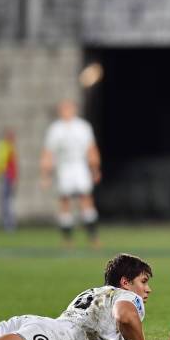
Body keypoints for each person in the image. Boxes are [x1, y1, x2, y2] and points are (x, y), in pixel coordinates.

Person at [0, 253, 170, 340]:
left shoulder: (98, 293)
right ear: (125, 282)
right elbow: (125, 317)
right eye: (143, 281)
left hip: (35, 324)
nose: (148, 289)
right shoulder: (127, 297)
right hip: (56, 338)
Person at [40, 100, 102, 247]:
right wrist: (45, 175)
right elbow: (48, 153)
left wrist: (95, 169)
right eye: (64, 108)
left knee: (86, 199)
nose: (66, 111)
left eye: (69, 108)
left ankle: (93, 237)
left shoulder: (83, 127)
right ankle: (67, 239)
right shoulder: (55, 129)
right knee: (65, 201)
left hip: (80, 166)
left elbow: (91, 149)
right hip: (64, 167)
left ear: (74, 109)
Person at [0, 128, 18, 231]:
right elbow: (8, 165)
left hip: (7, 177)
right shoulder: (6, 147)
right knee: (7, 201)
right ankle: (8, 224)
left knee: (7, 201)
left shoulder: (7, 147)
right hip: (6, 177)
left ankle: (8, 224)